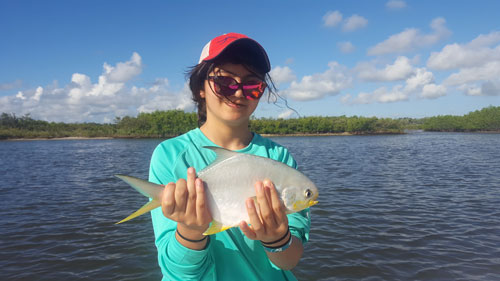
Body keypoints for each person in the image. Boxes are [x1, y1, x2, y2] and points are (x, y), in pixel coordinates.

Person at [149, 32, 311, 280]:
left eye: (252, 85)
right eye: (224, 83)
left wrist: (277, 238)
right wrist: (190, 231)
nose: (237, 93)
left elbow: (289, 262)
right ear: (200, 88)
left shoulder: (279, 157)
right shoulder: (170, 155)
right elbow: (178, 273)